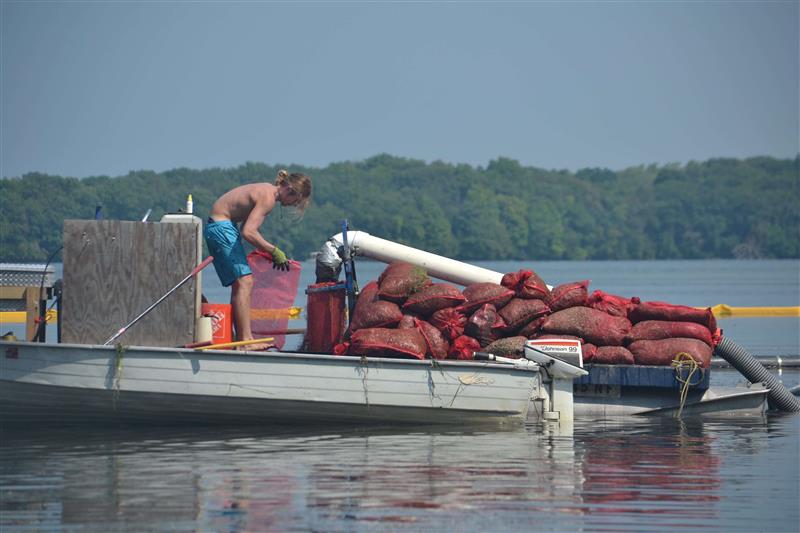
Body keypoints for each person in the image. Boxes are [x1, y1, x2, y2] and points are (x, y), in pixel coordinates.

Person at [205, 169, 312, 349]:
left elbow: (247, 230)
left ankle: (240, 340)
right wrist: (274, 251)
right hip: (221, 227)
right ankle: (245, 341)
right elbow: (248, 232)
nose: (293, 205)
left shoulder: (266, 189)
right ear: (291, 191)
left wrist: (265, 249)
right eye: (296, 201)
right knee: (245, 282)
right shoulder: (268, 198)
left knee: (241, 284)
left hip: (221, 226)